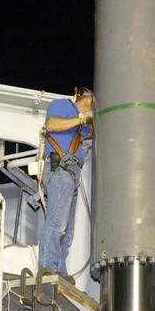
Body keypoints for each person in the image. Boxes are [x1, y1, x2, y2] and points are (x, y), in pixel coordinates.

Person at [37, 88, 93, 276]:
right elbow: (51, 125)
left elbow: (90, 133)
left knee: (67, 230)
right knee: (57, 222)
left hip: (71, 173)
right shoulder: (60, 105)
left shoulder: (83, 127)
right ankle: (47, 266)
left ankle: (59, 269)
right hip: (60, 168)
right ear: (84, 96)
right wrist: (81, 119)